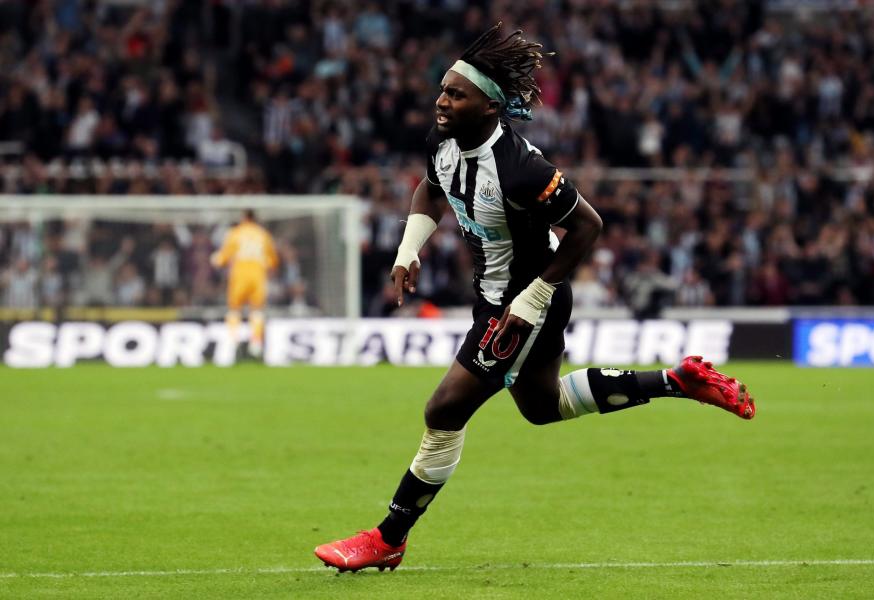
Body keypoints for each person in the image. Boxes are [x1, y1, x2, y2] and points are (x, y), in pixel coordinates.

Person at [314, 24, 755, 573]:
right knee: (543, 408)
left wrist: (535, 297)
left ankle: (388, 536)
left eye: (456, 94)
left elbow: (589, 226)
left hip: (525, 306)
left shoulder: (522, 169)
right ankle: (676, 381)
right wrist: (407, 250)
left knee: (444, 409)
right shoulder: (442, 142)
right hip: (495, 298)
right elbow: (430, 187)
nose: (441, 101)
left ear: (490, 107)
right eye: (444, 89)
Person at [210, 209, 278, 357]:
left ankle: (234, 341)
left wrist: (216, 259)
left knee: (234, 310)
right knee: (257, 311)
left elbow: (223, 257)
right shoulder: (263, 234)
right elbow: (273, 261)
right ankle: (256, 343)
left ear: (244, 218)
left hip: (240, 276)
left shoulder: (236, 233)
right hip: (258, 277)